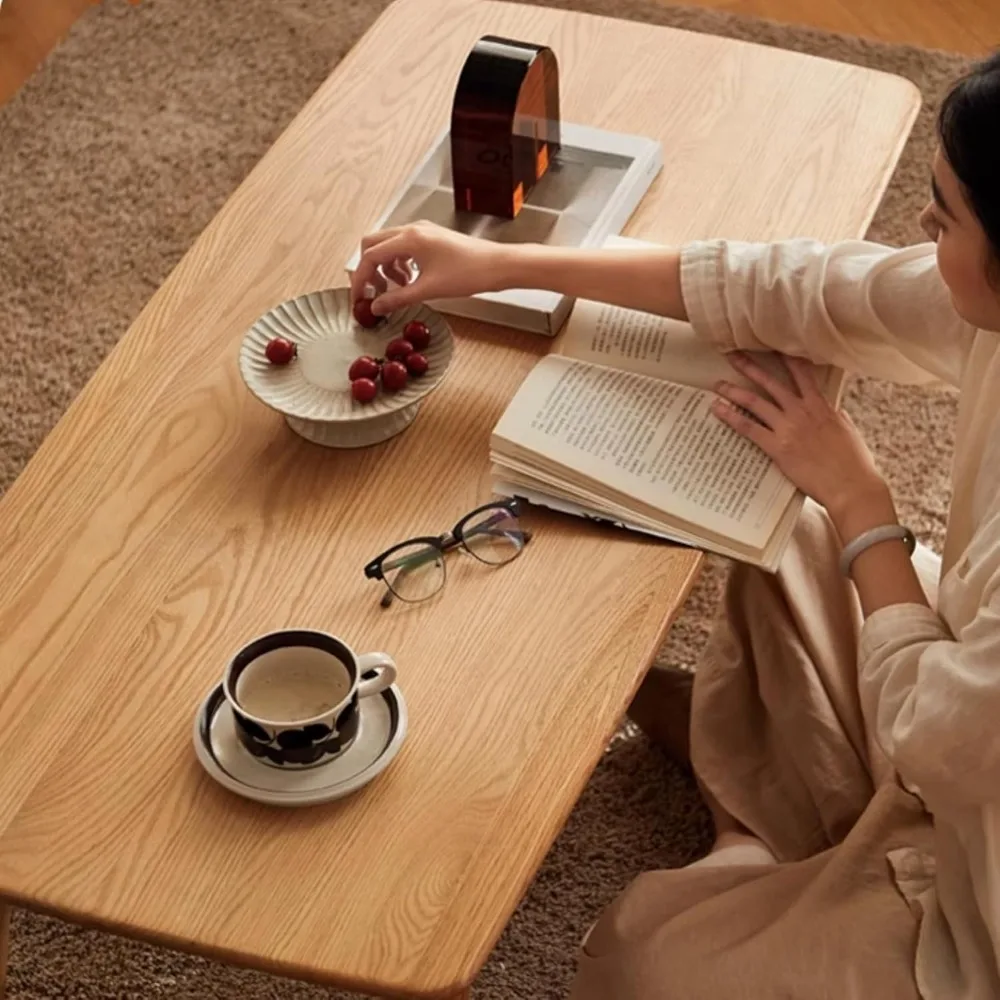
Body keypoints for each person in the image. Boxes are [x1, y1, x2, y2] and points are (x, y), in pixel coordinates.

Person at [350, 51, 1000, 1000]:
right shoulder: (985, 309)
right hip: (966, 726)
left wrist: (865, 504)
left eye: (942, 217)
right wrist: (507, 262)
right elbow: (810, 290)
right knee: (782, 533)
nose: (921, 228)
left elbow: (926, 730)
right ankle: (782, 819)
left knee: (640, 961)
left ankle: (789, 838)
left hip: (977, 898)